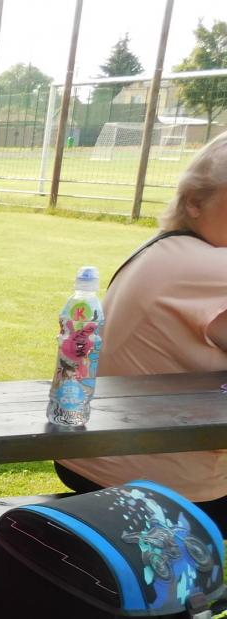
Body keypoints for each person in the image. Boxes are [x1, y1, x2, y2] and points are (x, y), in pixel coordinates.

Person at [56, 131, 227, 532]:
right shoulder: (204, 267)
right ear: (194, 201)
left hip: (98, 454)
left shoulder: (165, 249)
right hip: (161, 478)